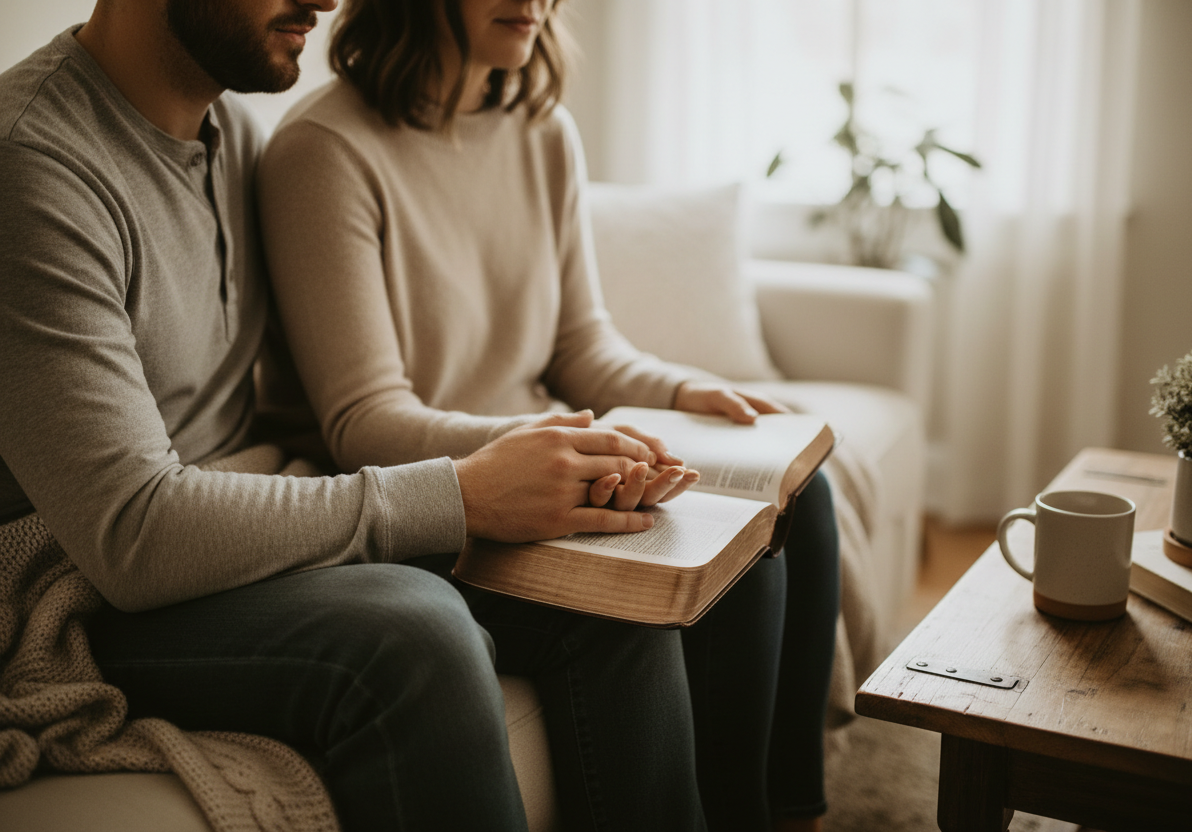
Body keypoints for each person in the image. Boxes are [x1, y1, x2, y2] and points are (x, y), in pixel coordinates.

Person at [0, 1, 710, 830]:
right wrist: (461, 492)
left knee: (607, 587)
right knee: (417, 638)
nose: (329, 1)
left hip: (243, 530)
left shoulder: (234, 136)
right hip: (87, 591)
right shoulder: (32, 167)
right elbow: (132, 534)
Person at [257, 1, 842, 829]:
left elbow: (579, 344)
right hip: (440, 487)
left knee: (797, 497)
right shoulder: (322, 151)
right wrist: (560, 449)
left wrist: (681, 390)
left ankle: (777, 814)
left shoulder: (542, 129)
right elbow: (365, 420)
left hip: (537, 446)